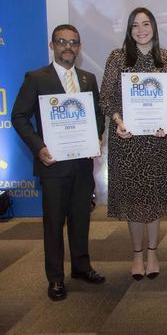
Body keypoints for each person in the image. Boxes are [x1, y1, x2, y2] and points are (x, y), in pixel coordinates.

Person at [12, 24, 106, 301]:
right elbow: (18, 117)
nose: (68, 47)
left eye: (74, 42)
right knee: (53, 224)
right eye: (62, 42)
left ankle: (81, 267)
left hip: (81, 165)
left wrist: (96, 138)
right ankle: (55, 278)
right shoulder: (37, 78)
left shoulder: (88, 79)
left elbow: (97, 115)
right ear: (52, 45)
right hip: (53, 166)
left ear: (79, 47)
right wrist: (38, 147)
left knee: (81, 219)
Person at [100, 7, 167, 281]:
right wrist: (118, 120)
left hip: (158, 141)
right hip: (127, 142)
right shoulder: (117, 57)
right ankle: (137, 255)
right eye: (135, 25)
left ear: (154, 27)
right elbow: (106, 99)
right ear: (129, 29)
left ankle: (152, 253)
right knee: (134, 201)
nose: (141, 30)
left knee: (154, 200)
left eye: (146, 24)